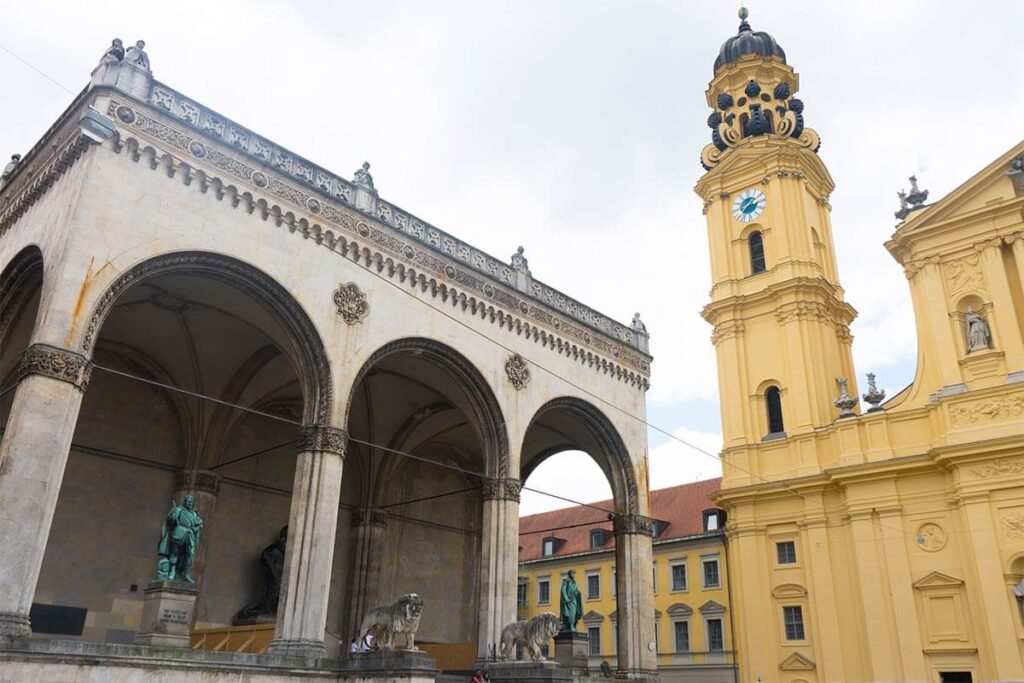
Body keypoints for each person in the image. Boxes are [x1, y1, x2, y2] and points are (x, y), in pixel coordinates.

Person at [155, 494, 203, 584]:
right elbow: (170, 521)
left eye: (191, 502)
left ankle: (185, 574)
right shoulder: (178, 510)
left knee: (190, 555)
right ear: (185, 502)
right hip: (178, 533)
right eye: (188, 501)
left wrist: (197, 527)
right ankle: (172, 571)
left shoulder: (195, 513)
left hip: (190, 535)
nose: (190, 503)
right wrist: (173, 517)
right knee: (174, 552)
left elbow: (199, 524)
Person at [559, 569, 583, 633]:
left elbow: (576, 590)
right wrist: (566, 599)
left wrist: (578, 593)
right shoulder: (566, 581)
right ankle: (571, 626)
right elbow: (563, 590)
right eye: (572, 573)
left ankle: (572, 625)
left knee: (574, 614)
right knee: (571, 614)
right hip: (569, 600)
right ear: (569, 574)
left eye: (574, 573)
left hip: (574, 600)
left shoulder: (574, 582)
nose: (573, 575)